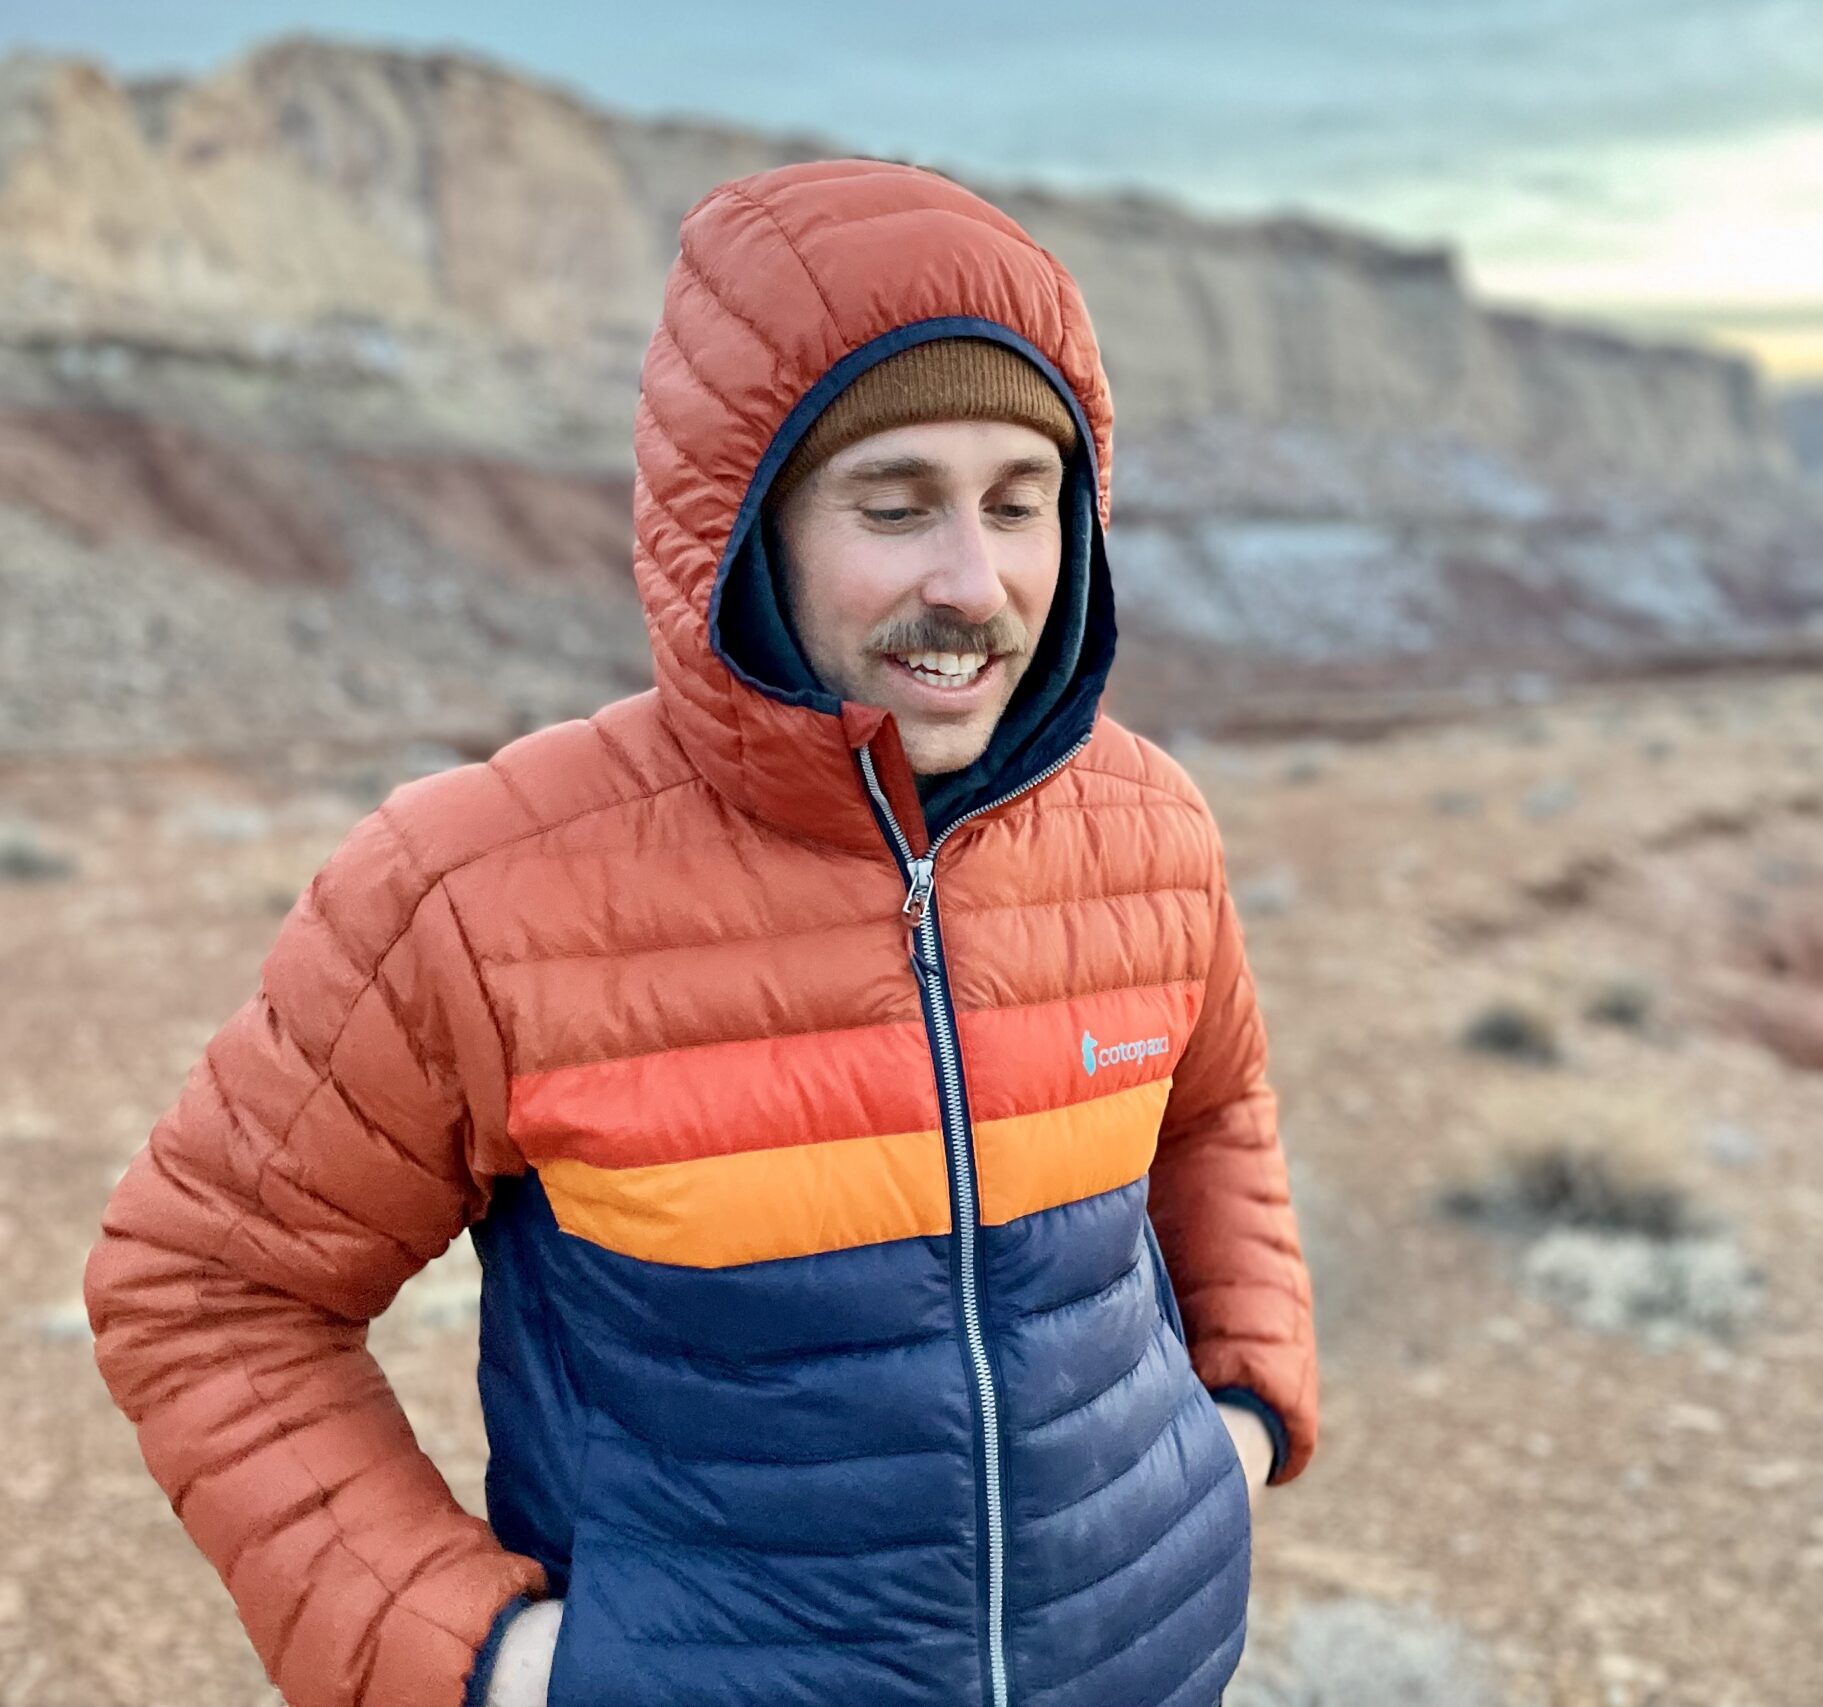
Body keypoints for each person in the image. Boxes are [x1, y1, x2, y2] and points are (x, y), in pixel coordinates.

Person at [83, 158, 1320, 1707]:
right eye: (895, 505)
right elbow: (208, 1290)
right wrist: (493, 1664)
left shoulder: (1146, 828)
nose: (974, 581)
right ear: (739, 525)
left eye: (1023, 504)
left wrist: (1237, 1418)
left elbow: (1211, 1111)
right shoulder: (475, 889)